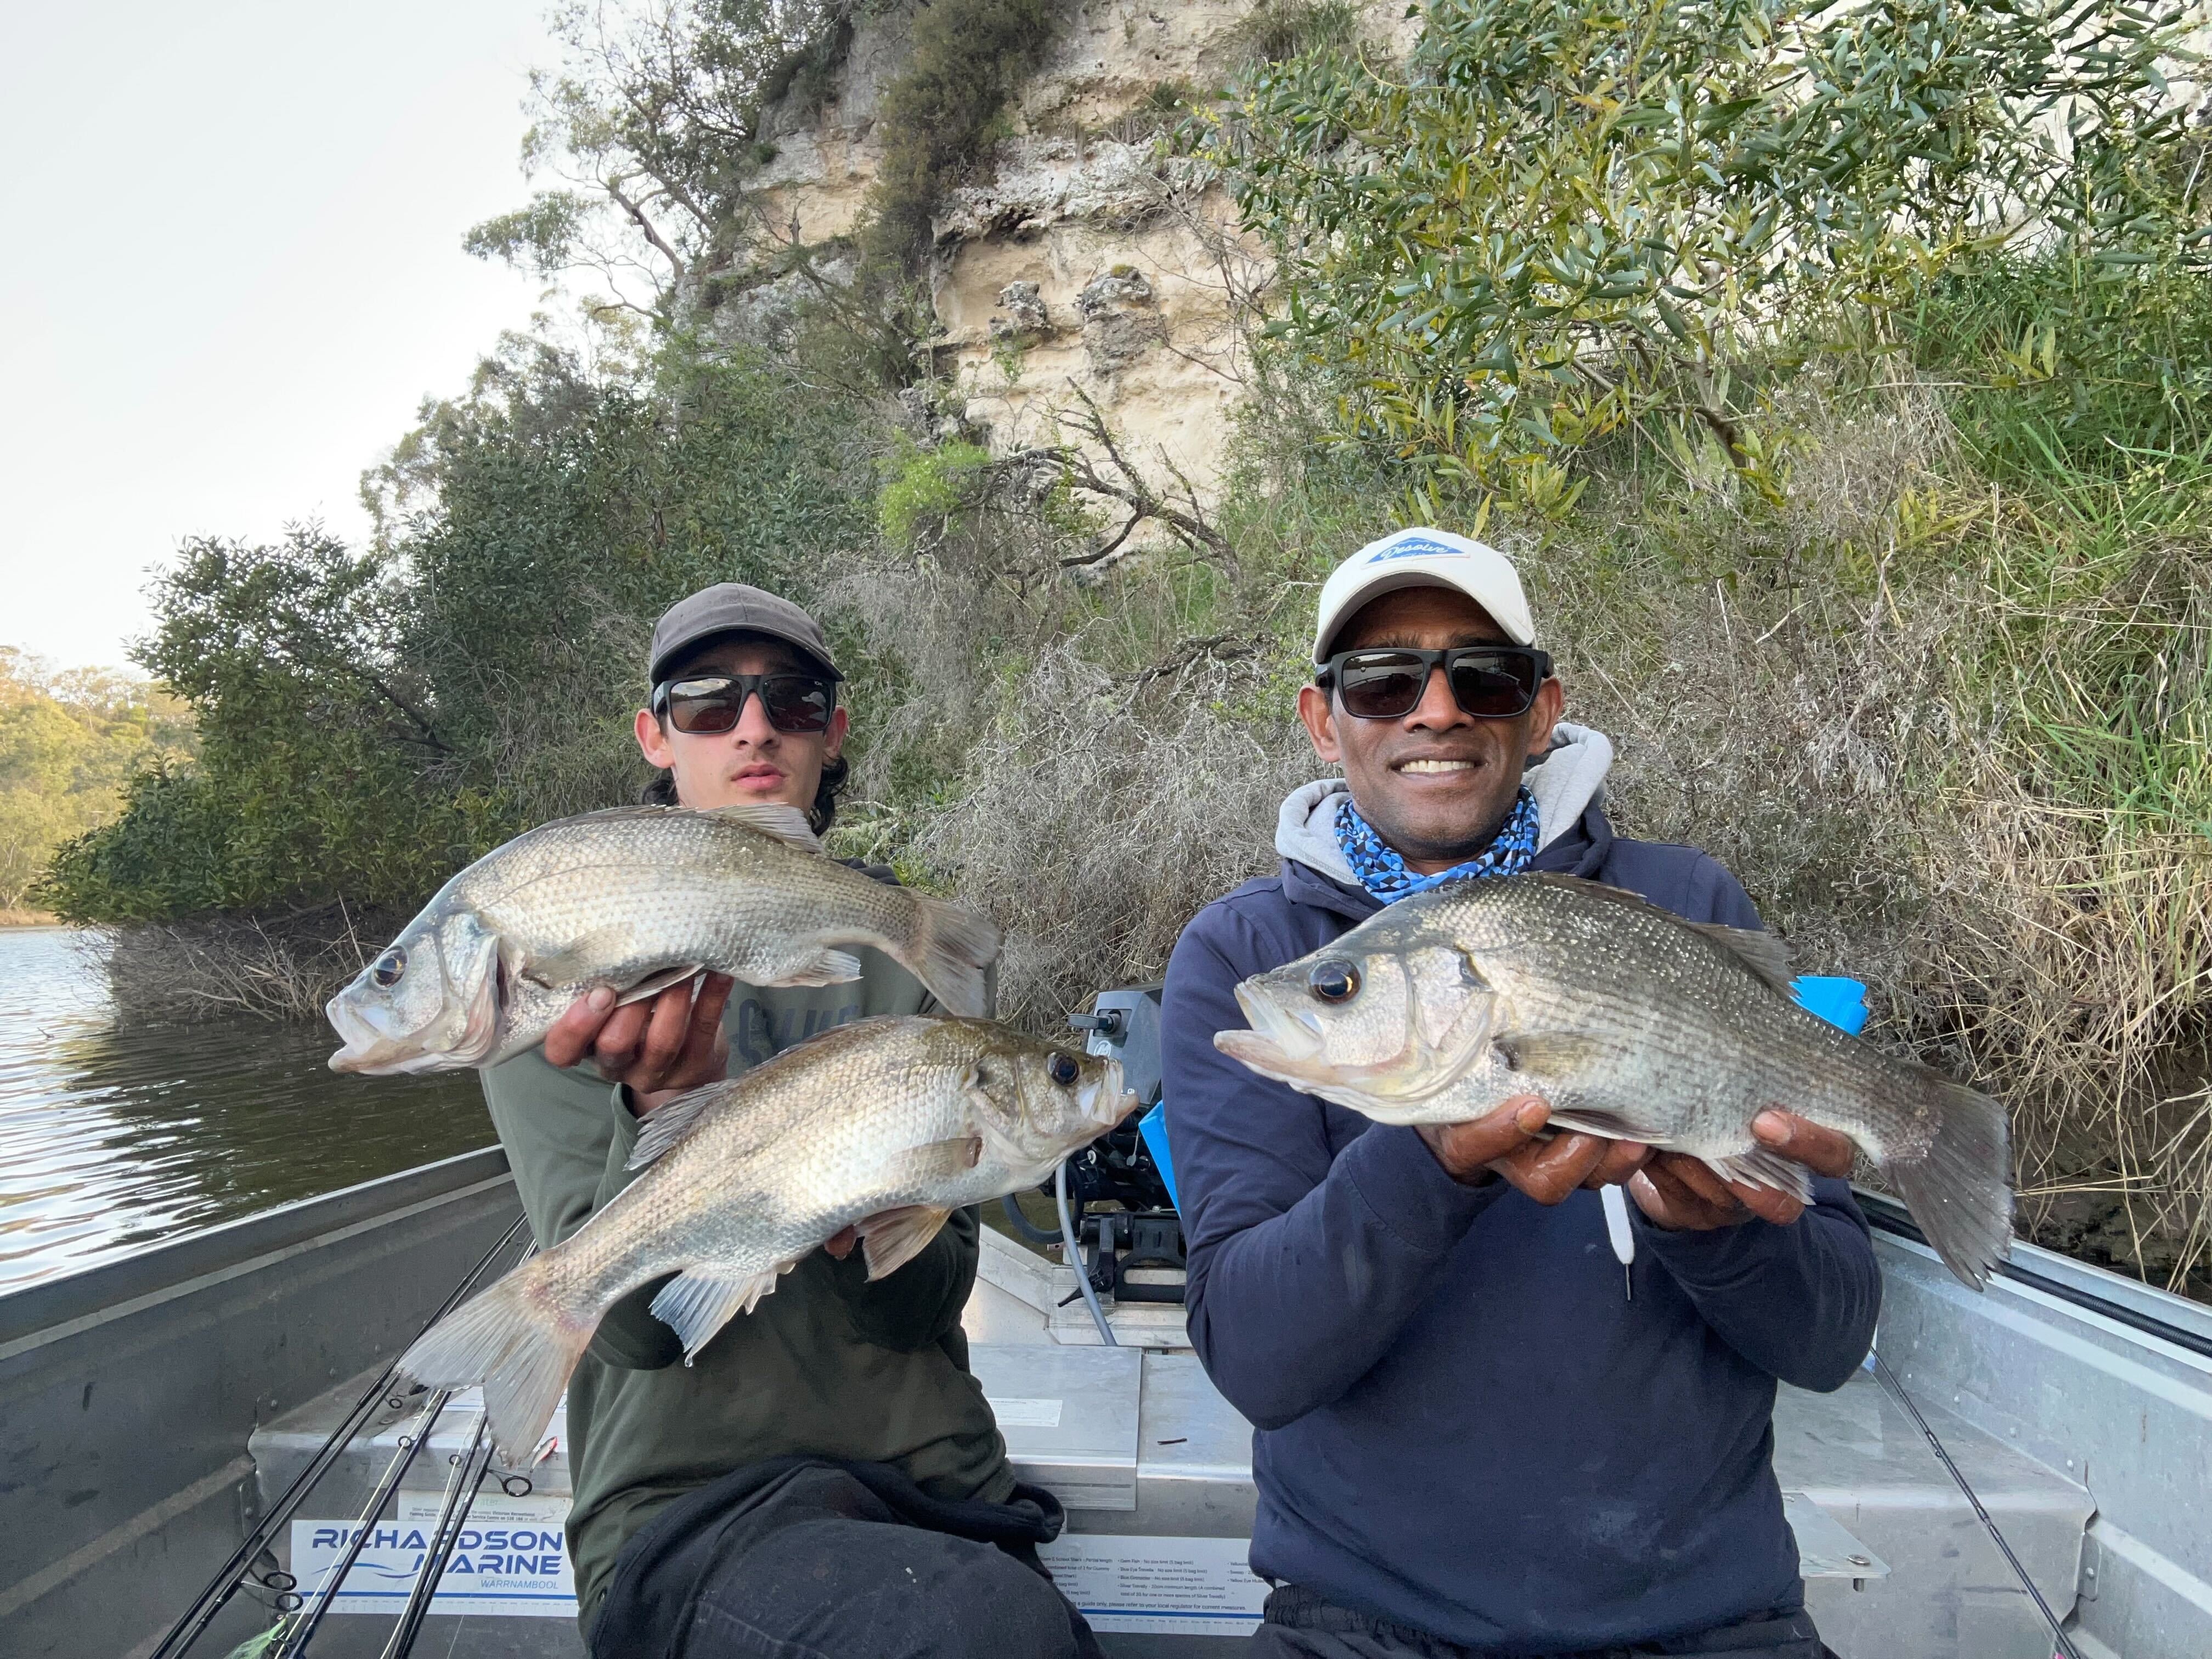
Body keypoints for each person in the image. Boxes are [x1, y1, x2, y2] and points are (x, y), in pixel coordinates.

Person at [1159, 529, 1881, 1658]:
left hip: (1703, 1623)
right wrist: (1434, 1160)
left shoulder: (1683, 896)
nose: (1435, 711)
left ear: (1540, 712)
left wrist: (1720, 1234)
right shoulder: (1246, 953)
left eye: (1482, 677)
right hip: (1362, 1625)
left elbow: (1833, 1337)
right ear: (1322, 720)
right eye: (1383, 680)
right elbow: (1257, 1358)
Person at [481, 582, 1100, 1658]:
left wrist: (866, 1210)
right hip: (689, 1510)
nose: (754, 726)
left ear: (832, 732)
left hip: (933, 1485)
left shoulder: (900, 958)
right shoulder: (562, 979)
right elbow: (633, 1333)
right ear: (656, 736)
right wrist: (660, 1112)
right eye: (710, 702)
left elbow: (928, 1303)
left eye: (791, 699)